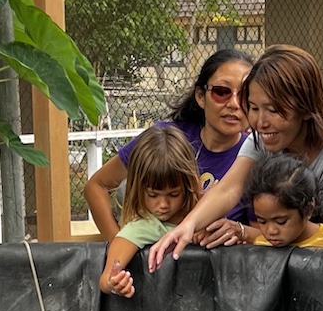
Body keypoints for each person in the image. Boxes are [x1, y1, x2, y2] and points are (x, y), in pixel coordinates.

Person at [147, 45, 323, 268]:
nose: (260, 121)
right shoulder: (264, 137)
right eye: (253, 108)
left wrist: (247, 233)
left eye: (273, 110)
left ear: (306, 107)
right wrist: (187, 226)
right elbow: (229, 189)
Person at [83, 49, 253, 238]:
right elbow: (97, 186)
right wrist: (120, 245)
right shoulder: (164, 139)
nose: (234, 103)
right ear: (200, 96)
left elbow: (272, 232)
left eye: (246, 95)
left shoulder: (257, 156)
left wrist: (241, 232)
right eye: (222, 92)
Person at [98, 125, 202, 298]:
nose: (163, 204)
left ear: (189, 185)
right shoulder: (143, 227)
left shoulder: (205, 212)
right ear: (138, 188)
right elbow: (107, 278)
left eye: (173, 194)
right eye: (153, 195)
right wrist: (114, 282)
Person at [247, 154, 323, 250]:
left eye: (281, 222)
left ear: (308, 210)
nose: (271, 231)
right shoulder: (262, 245)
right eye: (262, 221)